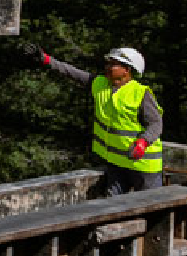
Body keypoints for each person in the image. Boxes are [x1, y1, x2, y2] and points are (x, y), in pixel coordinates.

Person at [25, 44, 165, 195]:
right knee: (113, 207)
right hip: (116, 162)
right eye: (109, 63)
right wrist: (46, 60)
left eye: (113, 64)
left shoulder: (140, 93)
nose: (108, 67)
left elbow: (156, 124)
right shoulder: (99, 84)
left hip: (143, 165)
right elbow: (72, 72)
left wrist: (143, 141)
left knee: (150, 206)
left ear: (127, 69)